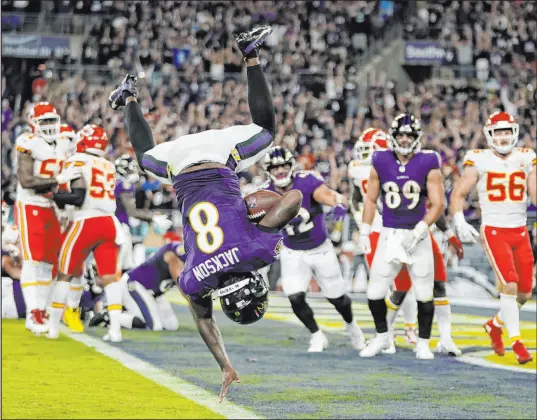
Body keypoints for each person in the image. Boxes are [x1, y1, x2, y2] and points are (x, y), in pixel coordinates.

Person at [109, 26, 302, 401]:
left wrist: (259, 215)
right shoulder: (197, 280)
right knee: (146, 159)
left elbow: (293, 197)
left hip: (219, 154)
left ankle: (250, 55)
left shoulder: (256, 252)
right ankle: (129, 97)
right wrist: (223, 364)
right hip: (177, 165)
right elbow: (204, 320)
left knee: (267, 129)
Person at [349, 128, 463, 356]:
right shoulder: (369, 169)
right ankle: (388, 333)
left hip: (416, 230)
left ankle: (439, 338)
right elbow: (362, 200)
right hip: (386, 233)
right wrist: (364, 227)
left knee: (432, 285)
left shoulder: (415, 165)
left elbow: (434, 203)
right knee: (397, 288)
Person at [450, 111, 536, 364]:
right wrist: (458, 219)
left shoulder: (526, 156)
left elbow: (535, 192)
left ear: (515, 133)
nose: (503, 136)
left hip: (520, 230)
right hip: (495, 229)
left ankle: (495, 325)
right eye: (498, 132)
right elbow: (458, 192)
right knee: (508, 285)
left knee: (524, 294)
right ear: (489, 134)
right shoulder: (479, 159)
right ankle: (517, 343)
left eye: (506, 131)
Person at [263, 146, 366, 352]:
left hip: (319, 248)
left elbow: (336, 197)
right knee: (294, 296)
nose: (280, 171)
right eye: (275, 168)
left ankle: (352, 327)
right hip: (292, 251)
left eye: (283, 166)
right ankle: (317, 335)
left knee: (337, 298)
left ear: (291, 165)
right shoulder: (265, 194)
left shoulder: (306, 182)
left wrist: (338, 204)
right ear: (268, 170)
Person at [47, 124, 124, 342]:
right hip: (109, 221)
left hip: (86, 221)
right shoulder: (108, 165)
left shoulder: (78, 160)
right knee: (110, 277)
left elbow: (78, 197)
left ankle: (52, 326)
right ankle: (115, 330)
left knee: (65, 273)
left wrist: (54, 195)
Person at [14, 102, 80, 333]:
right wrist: (59, 178)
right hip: (31, 204)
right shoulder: (27, 142)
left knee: (48, 263)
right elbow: (26, 181)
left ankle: (40, 312)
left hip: (52, 206)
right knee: (33, 261)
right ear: (34, 123)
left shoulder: (65, 141)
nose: (50, 126)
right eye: (44, 121)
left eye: (52, 120)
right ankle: (33, 313)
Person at [114, 154, 172, 272]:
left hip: (114, 224)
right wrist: (152, 218)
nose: (134, 171)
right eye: (131, 167)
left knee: (120, 263)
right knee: (123, 265)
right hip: (119, 227)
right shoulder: (125, 185)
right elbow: (132, 212)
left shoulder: (116, 182)